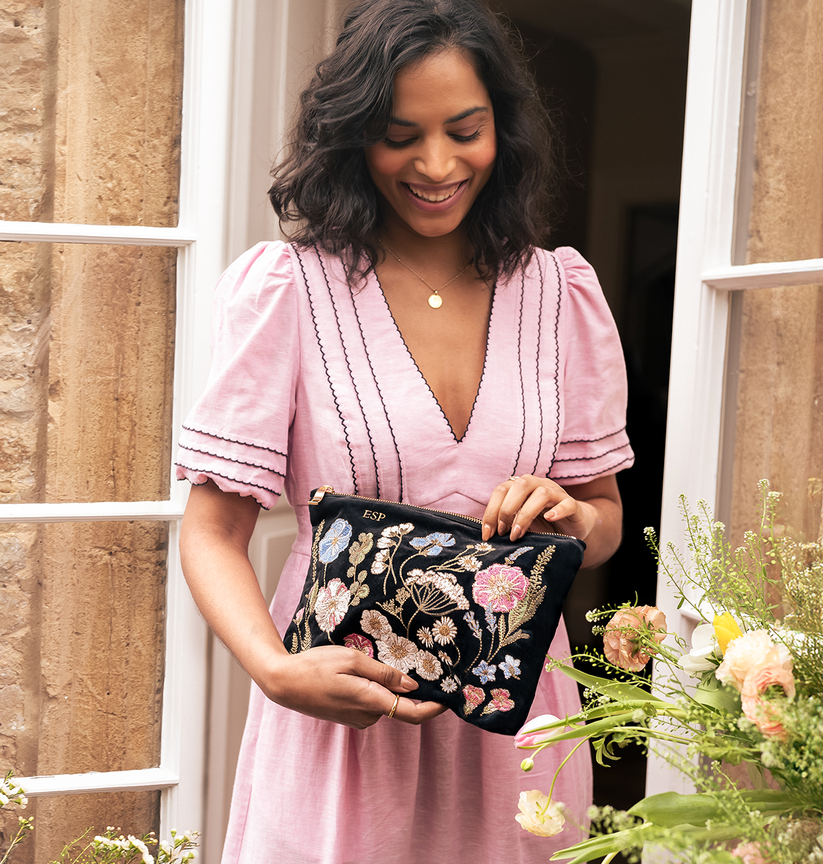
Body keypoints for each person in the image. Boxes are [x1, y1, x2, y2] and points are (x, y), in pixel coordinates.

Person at [176, 1, 634, 861]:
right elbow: (210, 533)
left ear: (503, 129)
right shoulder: (289, 291)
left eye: (465, 130)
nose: (435, 164)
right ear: (354, 139)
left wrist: (572, 518)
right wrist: (277, 672)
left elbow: (603, 519)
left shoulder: (560, 294)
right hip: (342, 717)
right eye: (399, 135)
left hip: (519, 727)